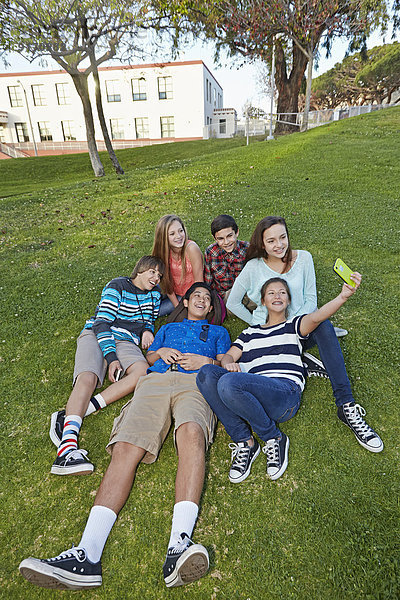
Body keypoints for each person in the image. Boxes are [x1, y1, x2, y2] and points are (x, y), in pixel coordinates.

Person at [19, 282, 231, 591]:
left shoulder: (218, 333)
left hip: (196, 384)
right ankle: (86, 554)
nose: (200, 300)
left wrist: (208, 362)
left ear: (211, 308)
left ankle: (179, 545)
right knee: (125, 446)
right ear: (186, 302)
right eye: (195, 296)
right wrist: (162, 351)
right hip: (155, 381)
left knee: (193, 436)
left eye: (206, 299)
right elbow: (151, 352)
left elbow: (227, 363)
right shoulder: (166, 328)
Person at [198, 275, 383, 484]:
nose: (277, 296)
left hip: (283, 395)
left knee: (228, 382)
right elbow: (230, 355)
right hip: (249, 398)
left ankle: (273, 437)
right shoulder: (249, 333)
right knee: (206, 374)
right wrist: (228, 363)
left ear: (288, 301)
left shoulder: (293, 326)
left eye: (282, 293)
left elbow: (317, 317)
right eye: (271, 293)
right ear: (263, 301)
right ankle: (245, 442)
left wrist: (342, 297)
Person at [225, 216, 383, 452]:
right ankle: (300, 360)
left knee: (324, 325)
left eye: (282, 237)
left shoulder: (304, 258)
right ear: (262, 243)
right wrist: (258, 326)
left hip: (299, 328)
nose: (279, 245)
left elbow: (311, 301)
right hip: (268, 335)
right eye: (271, 241)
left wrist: (291, 327)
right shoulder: (253, 267)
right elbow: (233, 303)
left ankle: (346, 405)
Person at [49, 255, 164, 476]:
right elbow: (102, 321)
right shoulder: (117, 285)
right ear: (139, 270)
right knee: (88, 379)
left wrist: (147, 330)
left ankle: (72, 415)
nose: (156, 278)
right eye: (152, 272)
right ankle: (66, 451)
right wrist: (111, 358)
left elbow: (148, 319)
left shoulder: (155, 295)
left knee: (141, 372)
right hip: (98, 334)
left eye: (159, 275)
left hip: (127, 341)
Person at [152, 214, 204, 316]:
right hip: (168, 289)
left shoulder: (191, 249)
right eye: (172, 234)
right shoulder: (163, 253)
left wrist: (178, 307)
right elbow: (166, 282)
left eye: (180, 231)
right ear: (163, 237)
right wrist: (177, 305)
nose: (179, 236)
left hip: (187, 295)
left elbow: (199, 284)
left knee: (154, 312)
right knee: (146, 294)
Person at [204, 214, 251, 306]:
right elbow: (208, 281)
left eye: (229, 236)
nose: (226, 242)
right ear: (214, 238)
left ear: (236, 232)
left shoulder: (248, 249)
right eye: (220, 239)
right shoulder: (211, 252)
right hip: (225, 296)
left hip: (246, 293)